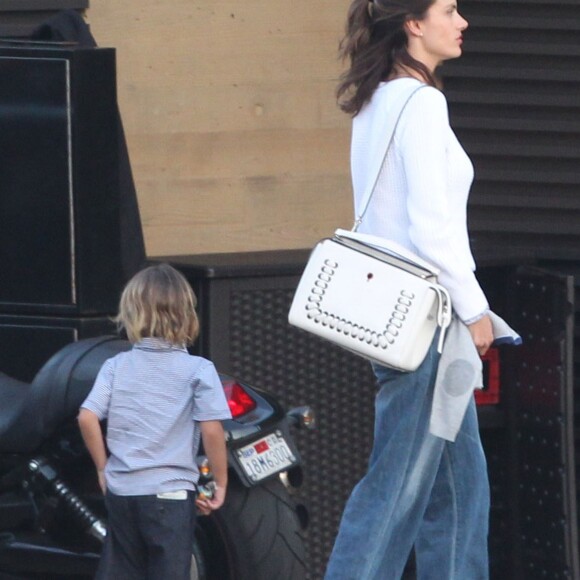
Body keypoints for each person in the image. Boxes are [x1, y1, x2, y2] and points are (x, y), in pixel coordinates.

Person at [324, 1, 494, 579]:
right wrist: (476, 309)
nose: (462, 20)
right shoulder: (422, 103)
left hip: (400, 317)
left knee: (459, 492)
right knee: (395, 491)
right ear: (414, 25)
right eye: (449, 9)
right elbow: (429, 226)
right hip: (430, 326)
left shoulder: (375, 102)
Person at [78, 263, 231, 580]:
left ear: (132, 315)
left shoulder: (115, 366)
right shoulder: (198, 370)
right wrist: (220, 482)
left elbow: (87, 416)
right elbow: (212, 430)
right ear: (186, 315)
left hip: (122, 493)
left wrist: (103, 468)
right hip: (170, 496)